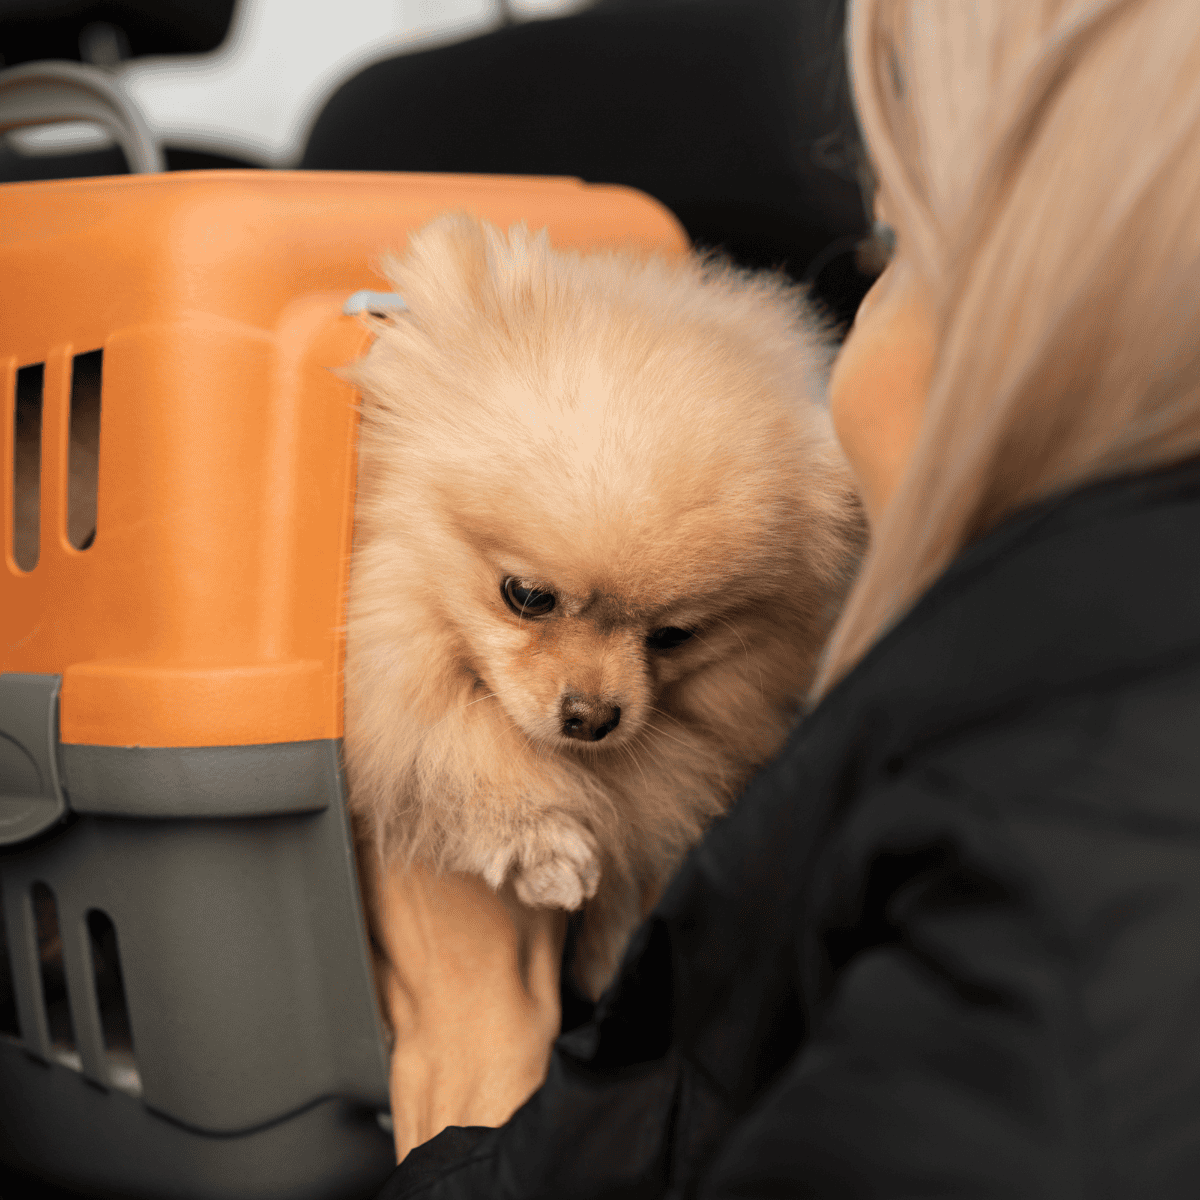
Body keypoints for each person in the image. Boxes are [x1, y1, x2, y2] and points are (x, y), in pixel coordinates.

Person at [369, 0, 1200, 1193]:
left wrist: (475, 1042)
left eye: (896, 243)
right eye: (531, 597)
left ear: (1016, 322)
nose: (600, 692)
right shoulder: (1061, 738)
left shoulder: (1038, 850)